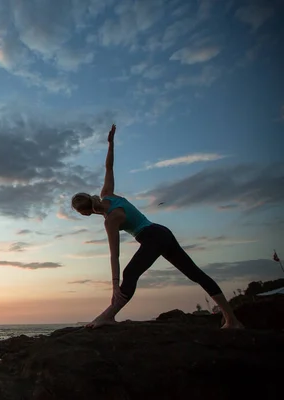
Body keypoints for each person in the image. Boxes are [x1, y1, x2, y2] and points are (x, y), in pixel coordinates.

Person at [71, 124, 244, 329]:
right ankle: (232, 319)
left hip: (151, 236)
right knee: (195, 274)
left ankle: (108, 315)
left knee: (130, 274)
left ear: (85, 213)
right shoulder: (108, 194)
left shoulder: (111, 219)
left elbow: (114, 254)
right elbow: (108, 168)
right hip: (161, 231)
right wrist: (111, 144)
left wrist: (115, 284)